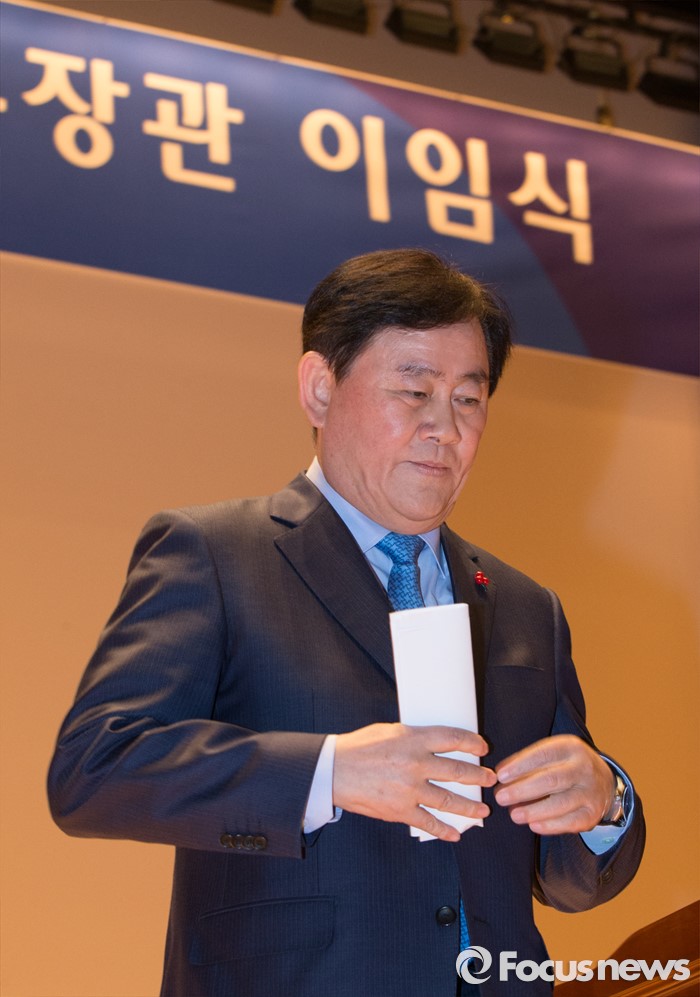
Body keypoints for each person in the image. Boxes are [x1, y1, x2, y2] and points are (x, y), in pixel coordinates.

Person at [48, 248, 645, 997]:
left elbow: (566, 878)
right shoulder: (215, 554)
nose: (445, 428)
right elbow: (96, 769)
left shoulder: (528, 606)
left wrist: (605, 800)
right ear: (320, 388)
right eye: (414, 390)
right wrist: (330, 772)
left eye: (469, 398)